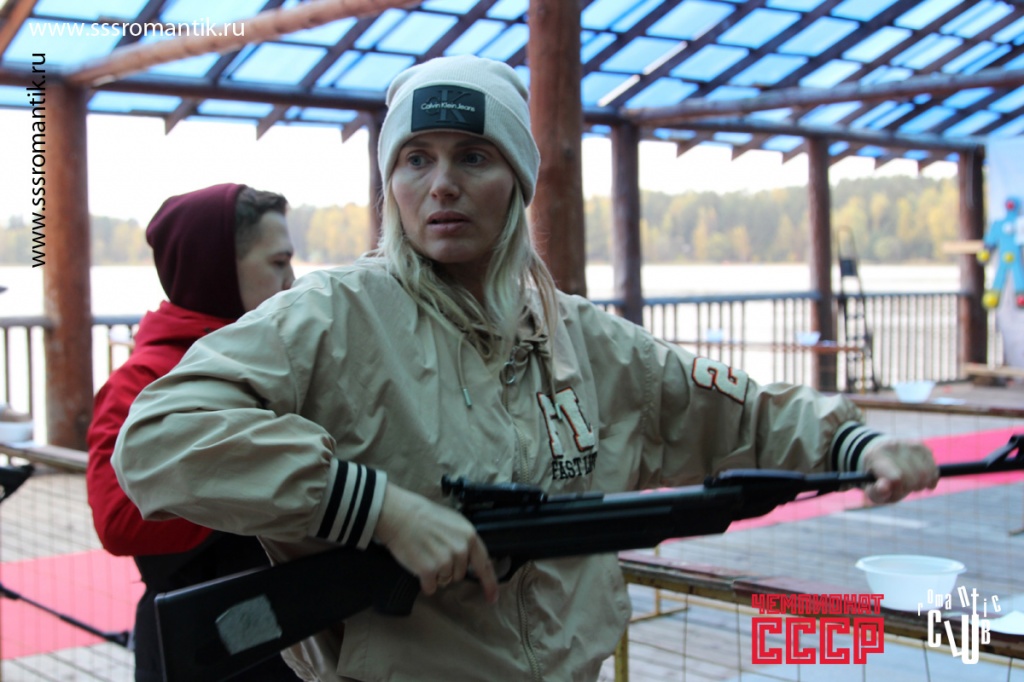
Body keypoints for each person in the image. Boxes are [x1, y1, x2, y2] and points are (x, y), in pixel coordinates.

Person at [112, 56, 938, 682]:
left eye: (473, 157)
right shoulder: (331, 315)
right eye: (416, 159)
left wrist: (854, 445)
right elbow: (158, 436)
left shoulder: (578, 333)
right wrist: (380, 511)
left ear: (517, 180)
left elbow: (731, 408)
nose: (441, 185)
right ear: (391, 181)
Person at [87, 183, 298, 682]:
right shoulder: (141, 382)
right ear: (218, 267)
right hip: (197, 634)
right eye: (278, 263)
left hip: (295, 618)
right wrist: (267, 490)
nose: (293, 281)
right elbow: (118, 519)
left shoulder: (284, 358)